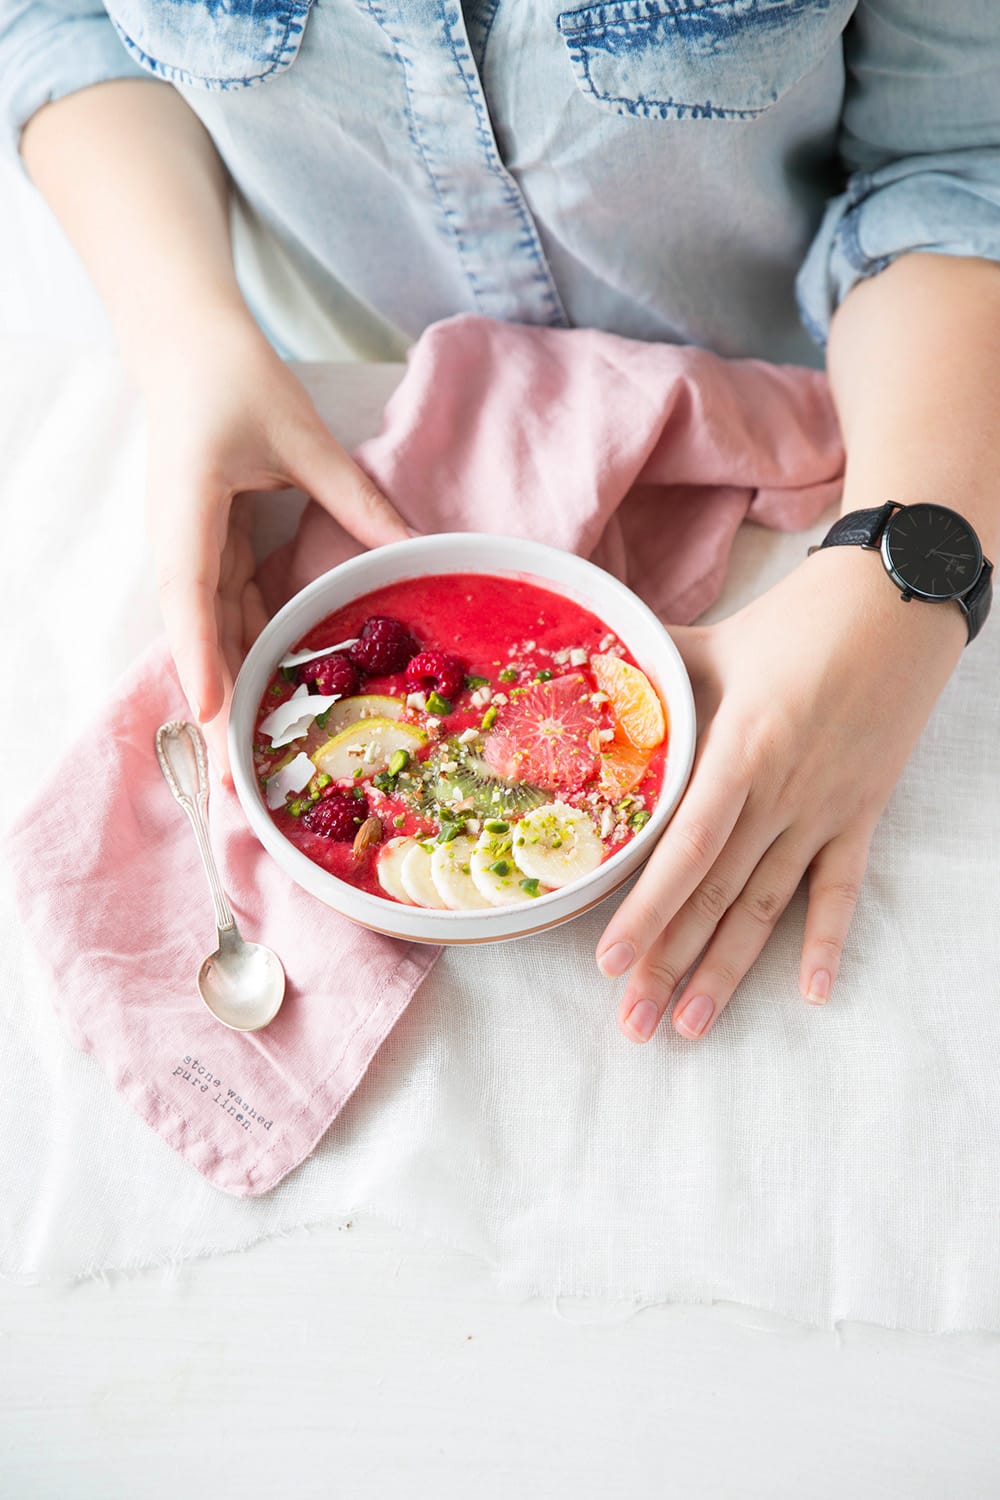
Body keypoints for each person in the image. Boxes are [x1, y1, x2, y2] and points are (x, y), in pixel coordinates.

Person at [4, 1, 999, 1046]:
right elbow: (58, 18)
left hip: (845, 423)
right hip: (324, 403)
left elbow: (963, 159)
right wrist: (188, 337)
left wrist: (911, 560)